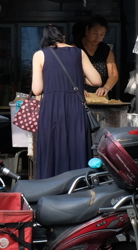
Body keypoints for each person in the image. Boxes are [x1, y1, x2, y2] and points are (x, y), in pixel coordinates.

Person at [31, 25, 102, 179]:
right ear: (63, 37)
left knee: (53, 148)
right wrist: (78, 76)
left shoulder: (40, 55)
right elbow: (97, 80)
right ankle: (80, 186)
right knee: (77, 147)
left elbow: (37, 90)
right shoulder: (79, 53)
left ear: (44, 39)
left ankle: (50, 186)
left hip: (52, 108)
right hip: (76, 106)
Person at [78, 16, 118, 98]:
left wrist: (106, 88)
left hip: (100, 95)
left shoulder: (106, 50)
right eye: (95, 33)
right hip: (80, 94)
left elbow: (113, 74)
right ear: (87, 30)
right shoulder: (75, 48)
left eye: (102, 34)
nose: (98, 37)